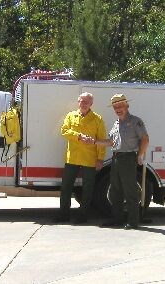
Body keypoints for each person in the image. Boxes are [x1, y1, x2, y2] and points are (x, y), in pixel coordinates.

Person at [96, 93, 149, 230]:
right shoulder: (116, 123)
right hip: (116, 158)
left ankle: (133, 222)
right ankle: (117, 219)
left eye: (120, 105)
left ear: (127, 105)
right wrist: (94, 142)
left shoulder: (136, 121)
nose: (118, 108)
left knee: (130, 191)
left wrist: (139, 155)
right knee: (115, 191)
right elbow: (111, 142)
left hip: (128, 158)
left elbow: (145, 139)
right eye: (115, 107)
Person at [53, 92, 106, 224]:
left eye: (86, 102)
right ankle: (63, 214)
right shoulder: (71, 116)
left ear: (91, 104)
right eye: (81, 101)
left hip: (90, 158)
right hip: (73, 157)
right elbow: (64, 131)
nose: (83, 104)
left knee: (88, 188)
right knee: (66, 187)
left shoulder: (97, 119)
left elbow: (102, 140)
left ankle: (83, 215)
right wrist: (79, 136)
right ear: (78, 102)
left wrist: (100, 158)